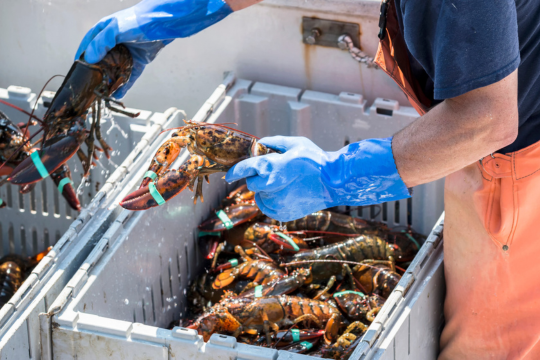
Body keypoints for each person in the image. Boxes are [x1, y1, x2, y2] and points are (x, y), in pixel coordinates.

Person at [76, 0, 540, 358]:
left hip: (516, 163)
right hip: (476, 136)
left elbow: (484, 120)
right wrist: (178, 12)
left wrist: (331, 178)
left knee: (487, 349)